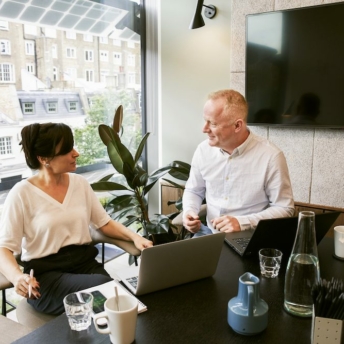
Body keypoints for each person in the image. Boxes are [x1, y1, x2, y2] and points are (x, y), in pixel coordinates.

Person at [0, 122, 152, 315]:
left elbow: (103, 223)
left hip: (86, 265)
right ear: (44, 158)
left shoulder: (80, 184)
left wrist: (135, 237)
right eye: (67, 150)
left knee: (121, 303)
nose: (76, 153)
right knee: (106, 292)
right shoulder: (21, 194)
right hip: (47, 278)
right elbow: (4, 248)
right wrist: (16, 277)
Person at [182, 89, 294, 237]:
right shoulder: (203, 151)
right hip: (208, 233)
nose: (204, 129)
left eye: (213, 123)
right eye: (205, 120)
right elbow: (194, 190)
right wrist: (189, 211)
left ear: (237, 126)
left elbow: (284, 208)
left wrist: (243, 222)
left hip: (250, 237)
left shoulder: (271, 156)